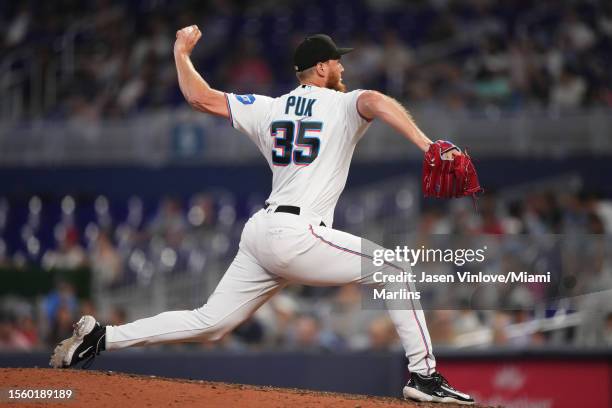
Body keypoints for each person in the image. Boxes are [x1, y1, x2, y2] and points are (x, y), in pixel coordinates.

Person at [50, 27, 474, 405]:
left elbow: (199, 97)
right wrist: (427, 143)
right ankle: (424, 376)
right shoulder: (343, 105)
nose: (342, 66)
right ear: (322, 66)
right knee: (396, 268)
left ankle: (102, 336)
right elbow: (378, 101)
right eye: (337, 60)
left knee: (210, 322)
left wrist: (181, 54)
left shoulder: (269, 107)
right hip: (297, 233)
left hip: (262, 232)